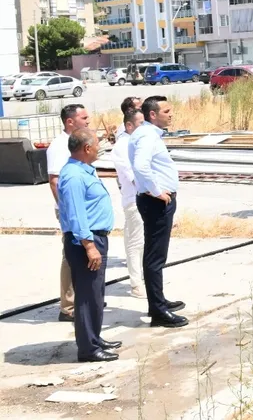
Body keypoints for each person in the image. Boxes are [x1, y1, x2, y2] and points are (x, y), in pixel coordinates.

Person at [58, 127, 121, 362]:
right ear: (86, 148)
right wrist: (89, 246)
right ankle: (88, 349)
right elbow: (76, 215)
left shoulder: (83, 170)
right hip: (85, 242)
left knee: (96, 293)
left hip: (95, 238)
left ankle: (94, 337)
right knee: (87, 296)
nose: (99, 148)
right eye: (96, 144)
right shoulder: (74, 176)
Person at [129, 96, 188, 328]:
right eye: (166, 110)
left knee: (157, 256)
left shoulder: (149, 134)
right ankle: (158, 311)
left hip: (155, 200)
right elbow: (140, 166)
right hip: (156, 202)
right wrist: (157, 192)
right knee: (155, 257)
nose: (171, 114)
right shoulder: (146, 136)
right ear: (152, 115)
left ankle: (159, 300)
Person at [47, 104, 90, 322]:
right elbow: (54, 181)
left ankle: (84, 297)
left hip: (81, 209)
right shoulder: (59, 146)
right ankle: (69, 306)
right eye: (84, 118)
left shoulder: (76, 143)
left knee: (83, 254)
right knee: (70, 256)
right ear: (70, 121)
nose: (88, 121)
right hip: (69, 210)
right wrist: (66, 210)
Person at [109, 109, 146, 298]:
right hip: (135, 199)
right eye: (140, 123)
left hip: (146, 198)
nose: (144, 126)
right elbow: (134, 177)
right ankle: (136, 283)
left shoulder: (139, 142)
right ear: (129, 125)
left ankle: (143, 277)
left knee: (143, 241)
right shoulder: (122, 146)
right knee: (135, 242)